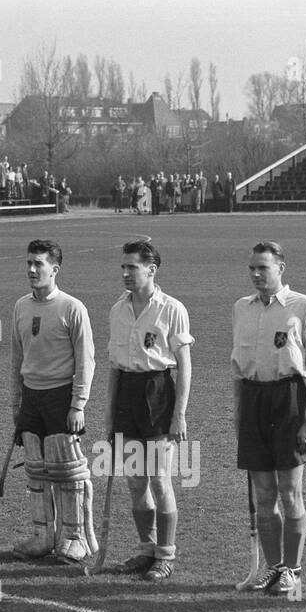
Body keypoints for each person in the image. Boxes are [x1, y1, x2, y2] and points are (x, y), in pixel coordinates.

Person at [232, 241, 306, 597]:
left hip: (289, 399)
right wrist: (239, 414)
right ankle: (273, 568)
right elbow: (238, 369)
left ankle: (293, 569)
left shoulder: (304, 307)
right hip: (254, 400)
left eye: (264, 268)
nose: (257, 274)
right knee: (263, 494)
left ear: (281, 268)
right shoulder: (241, 308)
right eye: (253, 268)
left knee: (290, 492)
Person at [105, 239, 193, 581]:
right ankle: (146, 548)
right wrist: (110, 414)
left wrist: (179, 413)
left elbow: (184, 365)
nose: (126, 273)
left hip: (157, 392)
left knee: (159, 479)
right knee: (135, 481)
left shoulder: (172, 308)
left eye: (133, 267)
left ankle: (166, 555)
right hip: (127, 392)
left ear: (151, 270)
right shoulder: (117, 309)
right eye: (123, 267)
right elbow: (114, 367)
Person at [10, 238, 96, 563]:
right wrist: (16, 404)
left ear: (54, 269)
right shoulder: (20, 306)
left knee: (68, 471)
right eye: (29, 262)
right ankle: (42, 536)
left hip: (61, 397)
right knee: (35, 470)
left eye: (39, 264)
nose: (32, 269)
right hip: (31, 398)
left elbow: (86, 360)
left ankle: (75, 538)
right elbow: (16, 360)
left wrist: (78, 404)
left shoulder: (73, 308)